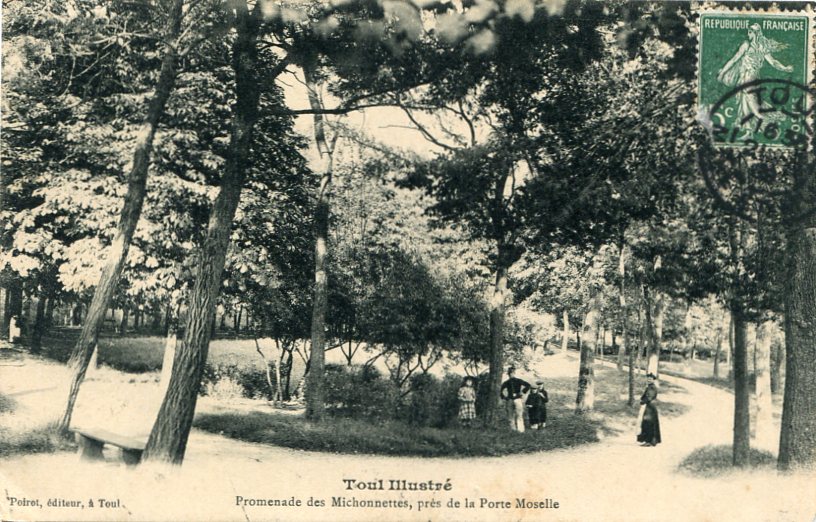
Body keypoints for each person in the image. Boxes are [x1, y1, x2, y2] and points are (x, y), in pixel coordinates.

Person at [717, 24, 793, 137]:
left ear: (756, 33)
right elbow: (734, 60)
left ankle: (766, 119)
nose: (749, 34)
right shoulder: (759, 47)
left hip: (749, 77)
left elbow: (772, 62)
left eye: (750, 32)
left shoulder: (751, 46)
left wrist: (784, 68)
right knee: (745, 103)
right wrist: (785, 68)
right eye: (748, 32)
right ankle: (749, 131)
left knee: (751, 103)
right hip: (750, 78)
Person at [500, 367, 530, 432]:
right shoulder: (507, 382)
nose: (511, 374)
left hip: (517, 399)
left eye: (512, 373)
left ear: (514, 373)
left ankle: (521, 430)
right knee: (510, 415)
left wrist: (522, 392)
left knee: (519, 414)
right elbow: (500, 390)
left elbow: (528, 385)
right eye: (510, 373)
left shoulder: (518, 380)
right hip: (510, 399)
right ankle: (512, 430)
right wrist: (504, 397)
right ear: (508, 374)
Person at [637, 373, 661, 446]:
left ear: (653, 380)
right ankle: (649, 441)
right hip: (650, 406)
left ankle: (649, 441)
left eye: (650, 379)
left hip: (650, 407)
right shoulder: (650, 386)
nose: (648, 380)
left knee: (648, 424)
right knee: (648, 423)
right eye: (648, 378)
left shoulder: (652, 387)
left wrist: (642, 401)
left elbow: (649, 397)